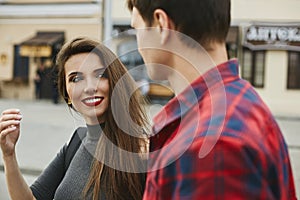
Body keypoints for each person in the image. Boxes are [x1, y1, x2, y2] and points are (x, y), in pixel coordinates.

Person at [127, 0, 297, 199]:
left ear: (161, 24)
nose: (138, 45)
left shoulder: (209, 147)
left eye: (137, 29)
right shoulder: (241, 100)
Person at [0, 37, 149, 200]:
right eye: (76, 79)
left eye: (100, 75)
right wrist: (9, 155)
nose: (90, 87)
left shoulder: (142, 148)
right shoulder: (77, 141)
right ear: (67, 95)